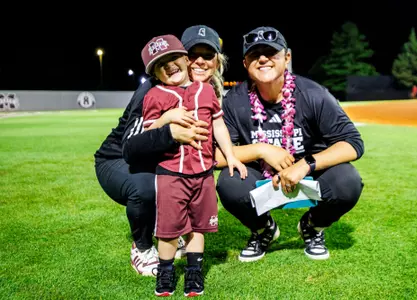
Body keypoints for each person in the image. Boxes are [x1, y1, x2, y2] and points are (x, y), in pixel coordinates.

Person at [215, 26, 365, 262]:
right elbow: (217, 156)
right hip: (260, 176)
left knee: (348, 182)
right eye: (255, 54)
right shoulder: (234, 100)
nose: (263, 58)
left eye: (271, 52)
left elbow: (353, 143)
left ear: (287, 58)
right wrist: (262, 149)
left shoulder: (314, 94)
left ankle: (312, 226)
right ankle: (264, 229)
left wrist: (306, 164)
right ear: (245, 64)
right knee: (229, 183)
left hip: (310, 175)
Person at [93, 25, 225, 278]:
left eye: (206, 55)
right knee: (148, 187)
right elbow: (130, 149)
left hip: (158, 160)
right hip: (117, 160)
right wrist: (168, 130)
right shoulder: (152, 91)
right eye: (194, 53)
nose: (199, 61)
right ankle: (142, 247)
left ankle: (181, 233)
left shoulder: (209, 91)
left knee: (197, 180)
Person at [139, 33, 247, 297]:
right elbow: (148, 132)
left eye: (173, 57)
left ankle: (194, 271)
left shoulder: (206, 89)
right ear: (154, 72)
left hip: (203, 174)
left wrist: (230, 155)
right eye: (159, 63)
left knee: (199, 226)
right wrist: (167, 117)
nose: (168, 65)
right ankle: (165, 272)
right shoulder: (154, 95)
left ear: (186, 60)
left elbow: (218, 124)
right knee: (168, 229)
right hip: (170, 173)